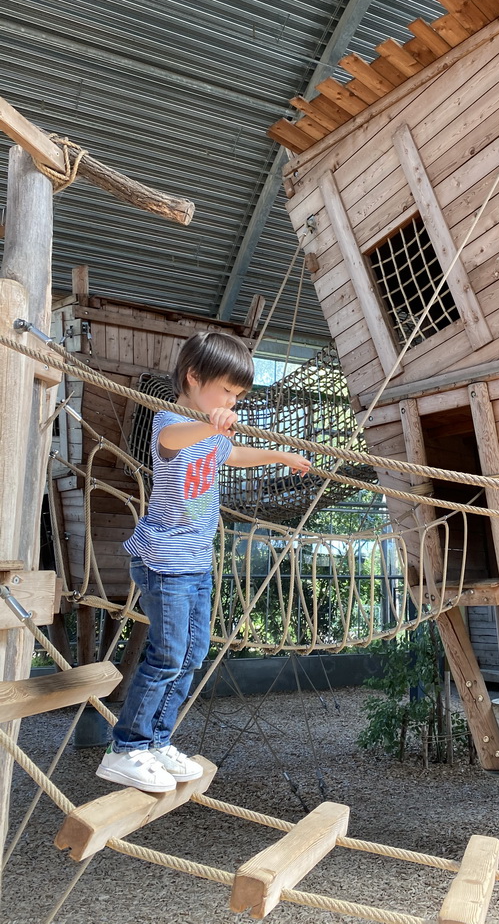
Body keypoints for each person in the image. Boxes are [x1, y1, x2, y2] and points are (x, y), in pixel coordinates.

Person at [97, 331, 312, 792]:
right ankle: (127, 748)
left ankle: (156, 741)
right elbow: (176, 440)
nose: (233, 402)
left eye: (238, 395)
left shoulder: (213, 433)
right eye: (227, 391)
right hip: (165, 561)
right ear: (194, 377)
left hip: (195, 561)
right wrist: (211, 423)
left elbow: (232, 453)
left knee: (191, 655)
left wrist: (280, 454)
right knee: (167, 655)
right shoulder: (170, 421)